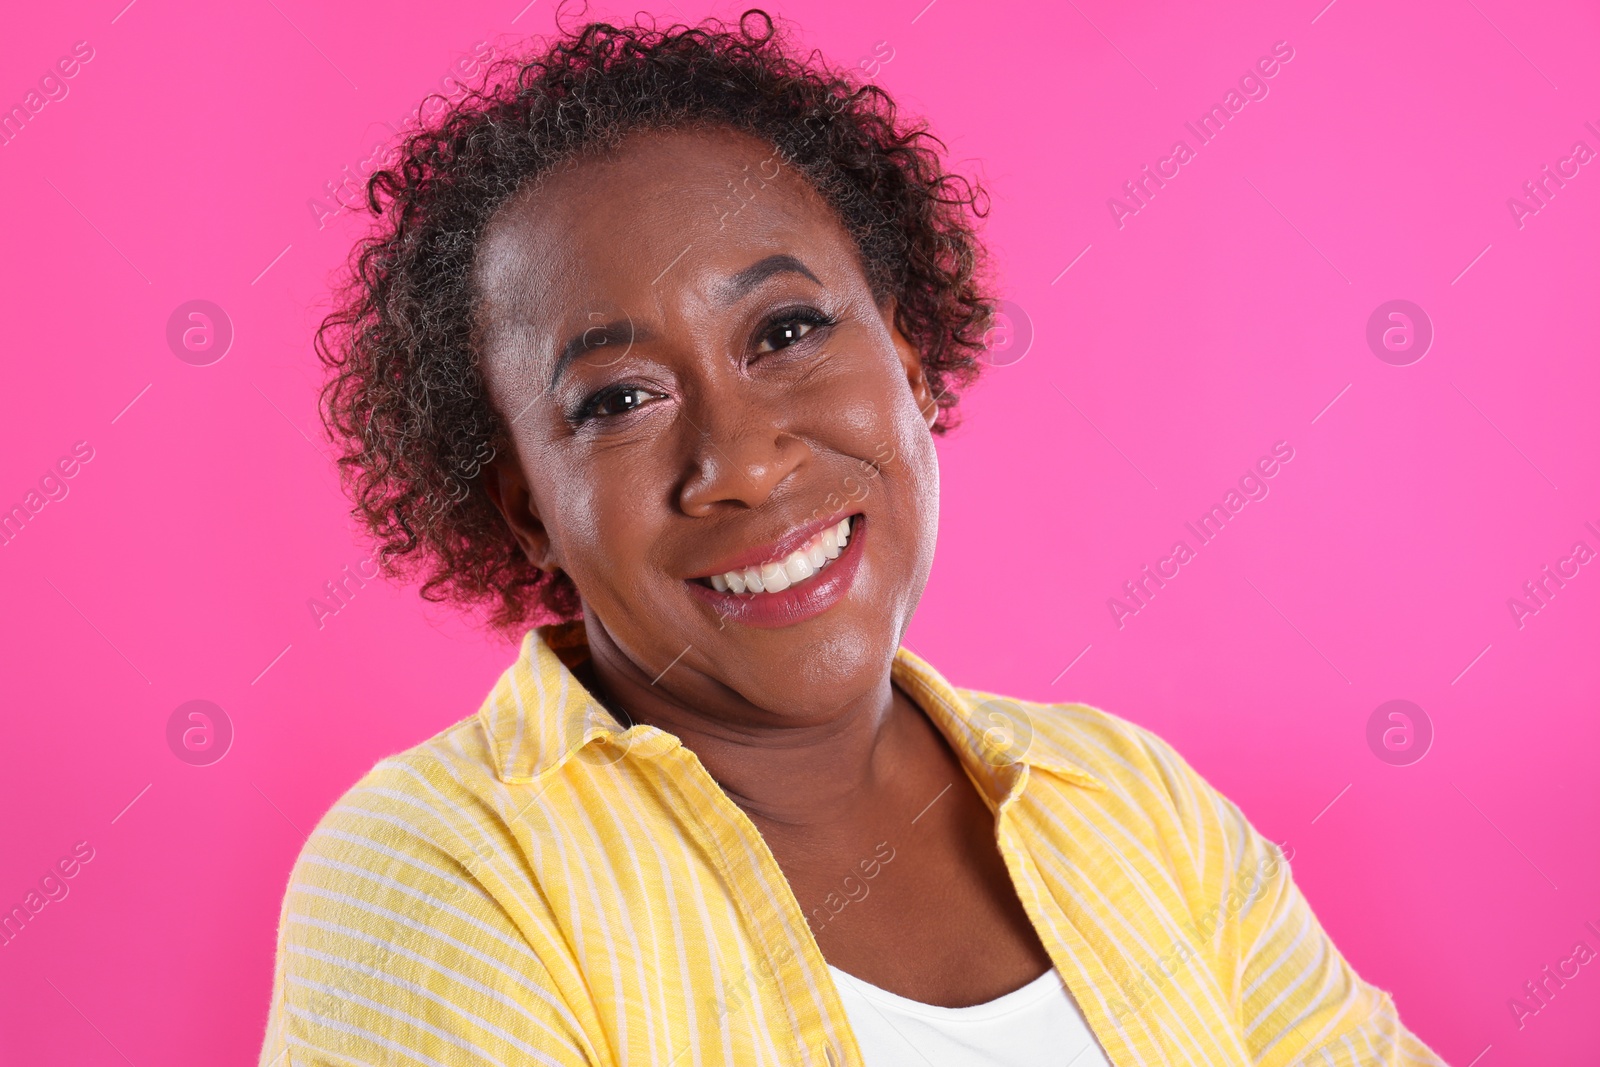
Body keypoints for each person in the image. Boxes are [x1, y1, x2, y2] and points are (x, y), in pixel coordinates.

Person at [257, 10, 1447, 1066]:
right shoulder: (448, 871)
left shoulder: (1130, 802)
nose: (745, 461)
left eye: (783, 331)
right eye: (618, 399)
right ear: (527, 511)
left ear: (910, 360)